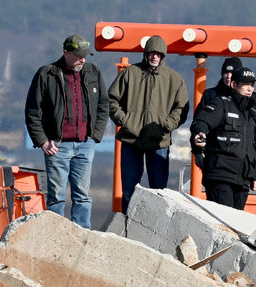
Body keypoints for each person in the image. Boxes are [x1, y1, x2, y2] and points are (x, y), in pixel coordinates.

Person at [24, 34, 109, 229]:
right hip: (56, 146)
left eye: (85, 55)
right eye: (79, 55)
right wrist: (43, 141)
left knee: (82, 195)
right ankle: (56, 234)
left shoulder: (93, 72)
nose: (83, 59)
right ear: (65, 53)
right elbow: (32, 111)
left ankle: (82, 234)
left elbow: (104, 105)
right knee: (57, 195)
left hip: (85, 143)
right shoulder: (47, 74)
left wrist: (95, 135)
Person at [108, 35, 190, 213]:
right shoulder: (130, 73)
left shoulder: (174, 79)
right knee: (129, 190)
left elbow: (182, 108)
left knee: (159, 192)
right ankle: (128, 229)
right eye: (152, 53)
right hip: (131, 140)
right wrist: (124, 120)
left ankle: (155, 230)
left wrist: (168, 124)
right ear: (146, 54)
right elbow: (112, 99)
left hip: (159, 141)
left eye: (159, 54)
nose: (155, 57)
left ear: (163, 56)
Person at [190, 67, 256, 210]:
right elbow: (201, 122)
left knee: (236, 224)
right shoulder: (221, 103)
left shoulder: (251, 112)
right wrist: (200, 134)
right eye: (245, 84)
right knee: (222, 220)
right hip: (220, 175)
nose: (250, 88)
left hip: (243, 179)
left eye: (252, 85)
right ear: (234, 85)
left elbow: (254, 147)